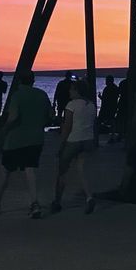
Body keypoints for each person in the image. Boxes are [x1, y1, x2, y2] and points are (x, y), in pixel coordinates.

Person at [0, 70, 51, 218]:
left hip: (16, 139)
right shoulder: (42, 95)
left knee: (5, 170)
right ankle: (34, 203)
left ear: (20, 81)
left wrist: (4, 130)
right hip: (36, 138)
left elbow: (13, 117)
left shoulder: (17, 95)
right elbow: (50, 116)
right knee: (30, 169)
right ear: (33, 80)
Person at [52, 80, 97, 215]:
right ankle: (89, 197)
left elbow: (67, 126)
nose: (69, 92)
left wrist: (62, 143)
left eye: (72, 89)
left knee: (62, 171)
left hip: (74, 140)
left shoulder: (71, 105)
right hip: (87, 139)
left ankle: (57, 201)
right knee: (81, 169)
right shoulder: (91, 105)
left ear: (77, 91)